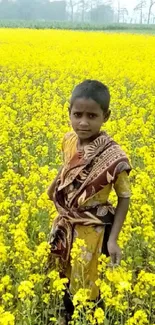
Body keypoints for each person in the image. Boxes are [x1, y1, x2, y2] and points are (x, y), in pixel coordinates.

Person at [47, 79, 131, 324]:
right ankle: (67, 312)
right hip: (66, 222)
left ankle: (89, 316)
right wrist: (53, 188)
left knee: (88, 276)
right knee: (64, 269)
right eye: (78, 114)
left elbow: (124, 197)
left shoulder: (114, 156)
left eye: (92, 116)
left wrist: (113, 239)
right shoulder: (69, 140)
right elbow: (67, 167)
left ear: (106, 116)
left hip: (93, 229)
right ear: (69, 113)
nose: (83, 122)